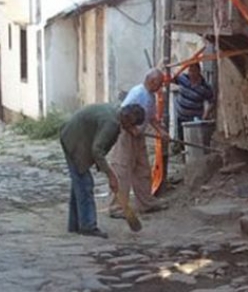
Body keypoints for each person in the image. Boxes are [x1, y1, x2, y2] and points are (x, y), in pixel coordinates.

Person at [59, 102, 145, 239]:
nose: (131, 129)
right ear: (128, 118)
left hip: (73, 136)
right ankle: (88, 227)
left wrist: (106, 171)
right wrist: (110, 175)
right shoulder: (112, 123)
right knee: (85, 185)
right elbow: (97, 150)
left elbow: (100, 146)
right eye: (132, 125)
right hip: (73, 141)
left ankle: (74, 225)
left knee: (79, 185)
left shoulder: (116, 115)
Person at [109, 68, 169, 217]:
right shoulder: (137, 93)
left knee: (142, 169)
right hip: (126, 134)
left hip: (138, 135)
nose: (160, 87)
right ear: (152, 81)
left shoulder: (150, 96)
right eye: (160, 83)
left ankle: (145, 202)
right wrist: (131, 129)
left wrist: (160, 131)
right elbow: (122, 115)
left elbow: (151, 117)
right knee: (122, 170)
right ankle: (117, 207)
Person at [172, 62, 215, 145]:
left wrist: (205, 115)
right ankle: (183, 154)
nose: (191, 73)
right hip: (181, 117)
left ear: (199, 71)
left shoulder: (205, 87)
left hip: (194, 120)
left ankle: (193, 156)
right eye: (190, 71)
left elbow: (212, 101)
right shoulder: (183, 78)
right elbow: (172, 79)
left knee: (193, 141)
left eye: (194, 71)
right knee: (182, 140)